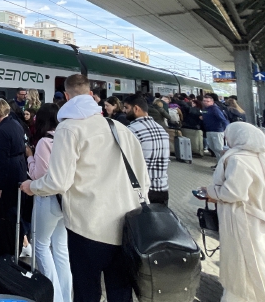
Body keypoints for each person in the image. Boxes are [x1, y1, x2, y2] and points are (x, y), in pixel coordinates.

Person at [20, 74, 150, 302]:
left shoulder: (69, 129)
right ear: (91, 95)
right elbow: (143, 180)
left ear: (67, 97)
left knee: (87, 292)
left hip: (87, 228)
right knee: (120, 293)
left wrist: (32, 186)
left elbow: (58, 182)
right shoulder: (120, 128)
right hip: (127, 227)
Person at [200, 122, 265, 301]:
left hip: (244, 222)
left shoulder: (237, 158)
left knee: (244, 269)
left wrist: (210, 192)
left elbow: (233, 192)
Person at [25, 103, 72, 302]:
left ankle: (55, 298)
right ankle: (66, 296)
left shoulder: (45, 142)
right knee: (61, 248)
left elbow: (38, 175)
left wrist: (29, 157)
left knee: (41, 246)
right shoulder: (66, 138)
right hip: (65, 200)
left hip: (47, 199)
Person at [0, 98, 31, 256]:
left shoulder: (2, 130)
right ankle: (24, 242)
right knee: (16, 208)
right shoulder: (15, 123)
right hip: (20, 168)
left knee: (9, 211)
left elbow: (2, 161)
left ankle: (20, 245)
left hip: (9, 173)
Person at [123, 95, 170, 205]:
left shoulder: (131, 131)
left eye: (126, 108)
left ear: (136, 108)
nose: (124, 111)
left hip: (142, 191)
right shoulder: (162, 130)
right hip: (162, 188)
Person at [202, 94, 229, 161]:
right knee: (212, 147)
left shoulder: (215, 109)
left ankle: (223, 164)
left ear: (212, 102)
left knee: (219, 148)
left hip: (217, 131)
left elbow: (223, 119)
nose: (205, 102)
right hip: (209, 130)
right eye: (204, 101)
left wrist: (227, 129)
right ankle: (219, 163)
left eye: (207, 101)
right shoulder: (205, 109)